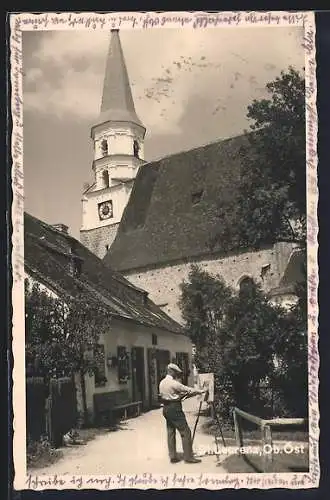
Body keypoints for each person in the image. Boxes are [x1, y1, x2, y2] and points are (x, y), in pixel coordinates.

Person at [159, 363, 207, 464]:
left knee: (170, 431)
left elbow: (169, 395)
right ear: (171, 371)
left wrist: (179, 396)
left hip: (166, 408)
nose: (177, 375)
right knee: (185, 432)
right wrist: (201, 391)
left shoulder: (162, 382)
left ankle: (172, 456)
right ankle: (189, 457)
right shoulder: (174, 383)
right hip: (174, 408)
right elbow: (188, 389)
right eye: (176, 373)